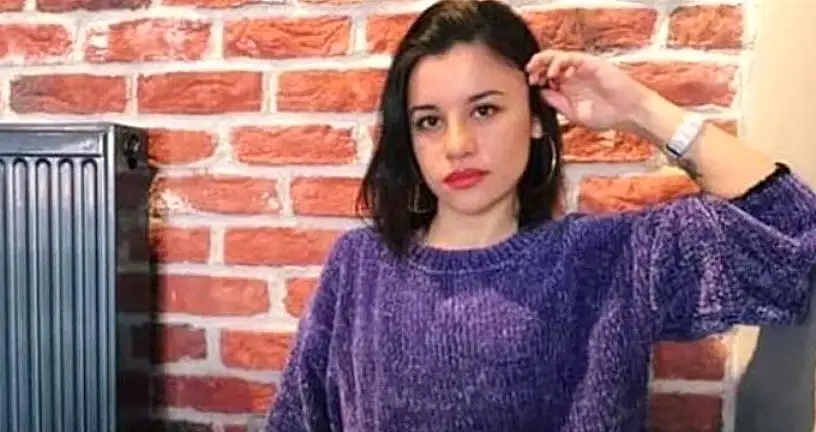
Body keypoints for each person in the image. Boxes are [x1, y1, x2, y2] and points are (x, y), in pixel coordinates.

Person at [264, 0, 816, 430]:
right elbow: (297, 420)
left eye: (484, 110)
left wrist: (640, 110)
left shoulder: (606, 261)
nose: (457, 145)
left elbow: (792, 235)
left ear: (534, 117)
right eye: (429, 121)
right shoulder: (362, 266)